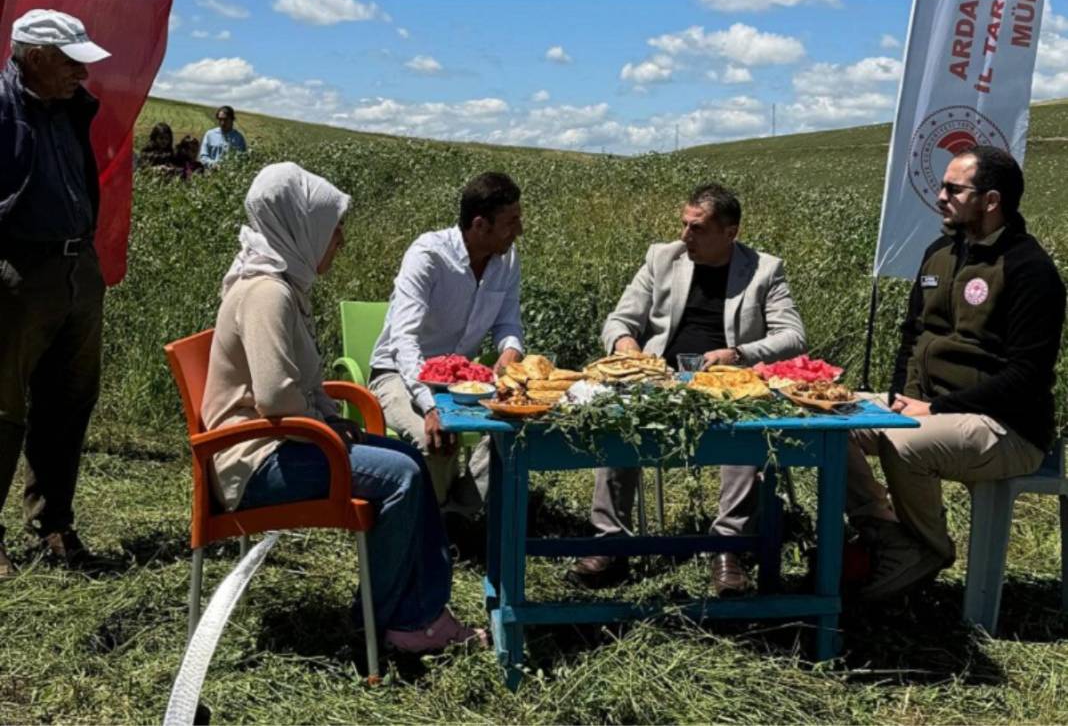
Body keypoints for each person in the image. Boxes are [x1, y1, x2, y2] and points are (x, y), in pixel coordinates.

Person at [201, 162, 483, 651]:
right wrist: (332, 430)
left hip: (281, 442)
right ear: (299, 225)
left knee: (412, 459)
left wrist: (331, 421)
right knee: (402, 476)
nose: (341, 240)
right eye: (333, 228)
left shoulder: (280, 283)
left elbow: (298, 390)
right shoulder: (268, 294)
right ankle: (385, 621)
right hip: (254, 463)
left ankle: (417, 611)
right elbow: (276, 398)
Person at [848, 146, 1066, 601]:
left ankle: (927, 550)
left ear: (991, 201)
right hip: (930, 408)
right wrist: (902, 398)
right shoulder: (939, 253)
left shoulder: (1029, 270)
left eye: (953, 188)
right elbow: (912, 337)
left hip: (1007, 427)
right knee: (834, 422)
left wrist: (937, 408)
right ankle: (886, 533)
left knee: (901, 441)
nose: (939, 195)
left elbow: (1026, 376)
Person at [569, 183, 807, 594]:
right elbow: (618, 320)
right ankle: (610, 542)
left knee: (744, 428)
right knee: (614, 420)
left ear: (730, 233)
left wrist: (737, 354)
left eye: (697, 229)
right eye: (683, 225)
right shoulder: (663, 259)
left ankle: (728, 546)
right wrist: (627, 345)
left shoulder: (764, 270)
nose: (685, 236)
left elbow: (793, 336)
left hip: (726, 381)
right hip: (658, 377)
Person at [0, 9, 112, 578]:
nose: (83, 76)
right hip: (17, 272)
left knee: (68, 402)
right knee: (1, 408)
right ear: (35, 56)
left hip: (77, 270)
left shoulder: (68, 109)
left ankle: (53, 524)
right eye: (71, 62)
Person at [368, 172, 524, 521]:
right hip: (397, 373)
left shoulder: (507, 260)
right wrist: (428, 406)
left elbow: (508, 321)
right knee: (433, 440)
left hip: (459, 380)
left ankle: (460, 515)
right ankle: (430, 522)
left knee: (511, 428)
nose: (519, 230)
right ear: (480, 225)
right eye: (511, 222)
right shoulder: (428, 255)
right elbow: (403, 340)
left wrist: (511, 349)